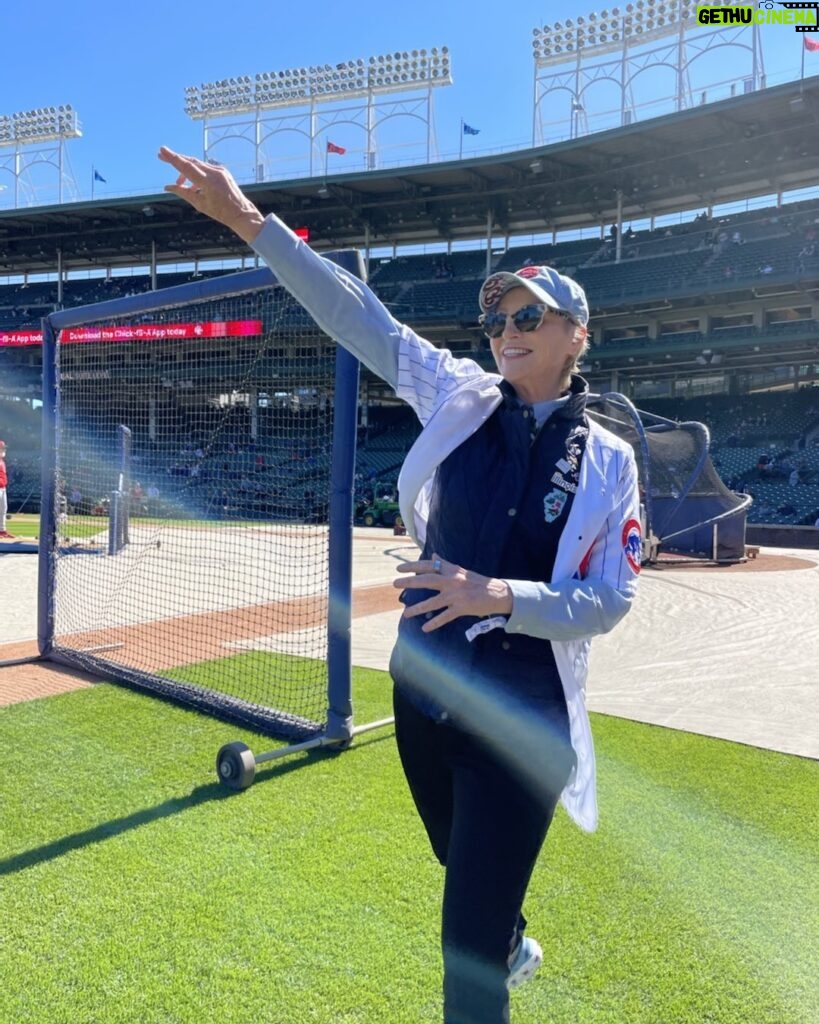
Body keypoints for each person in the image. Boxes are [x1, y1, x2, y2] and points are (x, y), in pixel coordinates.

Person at [158, 146, 642, 1024]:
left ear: (578, 333)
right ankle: (504, 932)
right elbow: (362, 318)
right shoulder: (459, 396)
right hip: (421, 693)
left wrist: (500, 596)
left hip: (524, 724)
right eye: (497, 317)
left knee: (463, 954)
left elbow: (611, 600)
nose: (507, 330)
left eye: (532, 314)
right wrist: (249, 225)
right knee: (462, 866)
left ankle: (490, 946)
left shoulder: (610, 464)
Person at [0, 439, 15, 539]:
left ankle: (2, 530)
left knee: (3, 509)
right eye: (2, 448)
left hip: (2, 487)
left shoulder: (2, 461)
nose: (4, 450)